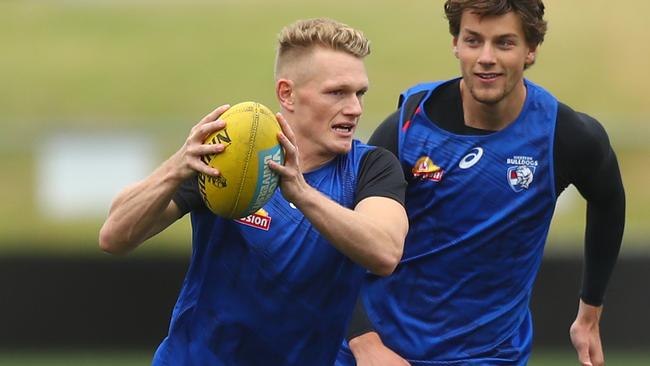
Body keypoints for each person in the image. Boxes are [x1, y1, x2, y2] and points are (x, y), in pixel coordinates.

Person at [98, 18, 409, 365]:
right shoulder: (231, 154)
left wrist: (301, 193)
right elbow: (115, 237)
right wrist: (177, 167)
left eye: (359, 93)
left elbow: (385, 252)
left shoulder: (370, 167)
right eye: (337, 92)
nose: (354, 108)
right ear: (287, 93)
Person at [337, 1, 625, 365]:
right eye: (474, 41)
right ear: (456, 44)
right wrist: (365, 344)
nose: (486, 57)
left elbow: (609, 201)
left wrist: (590, 312)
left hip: (490, 357)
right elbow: (338, 238)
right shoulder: (406, 128)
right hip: (382, 352)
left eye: (504, 43)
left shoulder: (565, 136)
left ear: (530, 50)